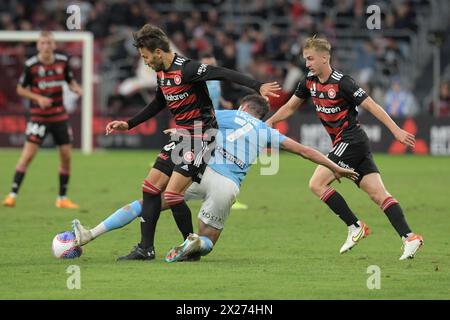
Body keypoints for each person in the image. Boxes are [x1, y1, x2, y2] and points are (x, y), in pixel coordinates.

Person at [72, 94, 359, 262]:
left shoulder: (229, 114)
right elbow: (305, 151)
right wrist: (336, 167)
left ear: (244, 107)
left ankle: (90, 234)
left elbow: (195, 123)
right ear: (260, 115)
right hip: (228, 185)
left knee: (148, 202)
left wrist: (179, 134)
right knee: (209, 239)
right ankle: (194, 242)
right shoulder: (267, 132)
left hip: (201, 172)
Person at [104, 24, 281, 261]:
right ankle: (145, 248)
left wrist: (257, 86)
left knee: (174, 195)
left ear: (158, 52)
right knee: (150, 188)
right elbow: (159, 102)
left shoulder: (188, 69)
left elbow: (223, 72)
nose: (145, 62)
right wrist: (130, 123)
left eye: (145, 57)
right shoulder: (162, 73)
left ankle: (191, 244)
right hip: (183, 135)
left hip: (201, 136)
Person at [266, 36, 423, 260]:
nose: (307, 63)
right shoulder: (308, 81)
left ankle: (355, 226)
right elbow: (291, 106)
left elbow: (373, 106)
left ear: (325, 57)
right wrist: (271, 121)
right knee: (379, 195)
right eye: (305, 59)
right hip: (352, 143)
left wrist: (396, 130)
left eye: (310, 59)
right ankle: (410, 238)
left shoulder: (343, 82)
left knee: (316, 183)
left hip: (350, 140)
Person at [3, 31, 82, 209]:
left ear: (54, 45)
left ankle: (62, 198)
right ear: (38, 46)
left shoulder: (62, 62)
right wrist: (37, 98)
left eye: (49, 43)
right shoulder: (31, 65)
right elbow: (20, 89)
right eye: (43, 43)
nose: (46, 46)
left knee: (66, 156)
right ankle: (12, 195)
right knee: (28, 155)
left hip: (59, 116)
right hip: (39, 117)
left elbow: (69, 80)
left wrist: (76, 88)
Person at [200, 52, 248, 211]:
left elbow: (214, 96)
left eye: (212, 64)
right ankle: (224, 195)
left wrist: (223, 102)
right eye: (207, 65)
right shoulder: (198, 81)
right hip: (205, 122)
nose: (210, 68)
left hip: (217, 120)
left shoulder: (215, 79)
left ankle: (222, 195)